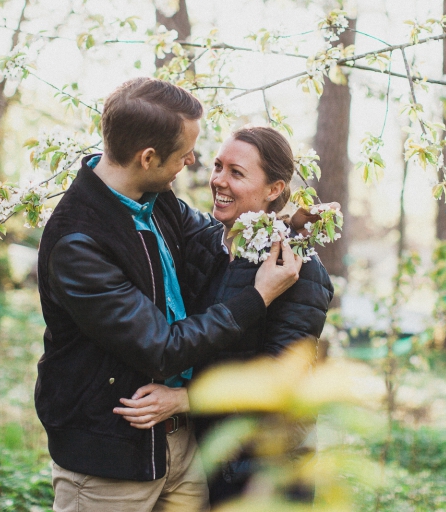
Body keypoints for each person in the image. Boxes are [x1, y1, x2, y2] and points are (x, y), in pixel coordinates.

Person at [35, 78, 304, 512]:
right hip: (112, 456)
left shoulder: (157, 199)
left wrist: (280, 228)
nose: (192, 162)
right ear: (147, 157)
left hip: (179, 444)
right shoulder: (79, 244)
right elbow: (161, 347)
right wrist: (257, 297)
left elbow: (215, 236)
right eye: (185, 153)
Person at [112, 127, 334, 506]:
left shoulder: (296, 268)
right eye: (217, 166)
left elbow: (283, 381)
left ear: (274, 189)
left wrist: (184, 399)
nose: (218, 180)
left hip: (265, 470)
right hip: (202, 459)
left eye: (236, 172)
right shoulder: (203, 242)